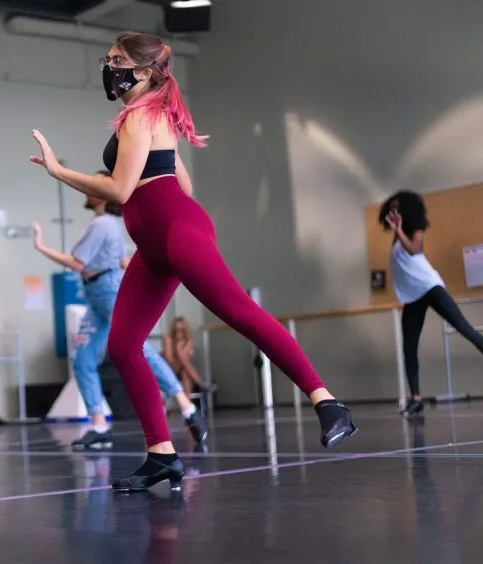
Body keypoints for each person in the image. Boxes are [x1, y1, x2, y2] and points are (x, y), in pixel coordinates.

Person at [28, 31, 356, 492]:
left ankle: (328, 402)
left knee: (241, 313)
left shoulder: (138, 117)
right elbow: (180, 182)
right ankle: (162, 455)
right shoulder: (152, 114)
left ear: (144, 72)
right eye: (108, 59)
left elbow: (120, 190)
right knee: (123, 345)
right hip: (156, 244)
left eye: (118, 60)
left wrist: (59, 171)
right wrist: (156, 222)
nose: (109, 67)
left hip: (177, 235)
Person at [31, 174, 207, 449]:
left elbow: (77, 263)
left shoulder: (102, 224)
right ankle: (99, 425)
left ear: (104, 193)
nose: (88, 189)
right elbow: (122, 259)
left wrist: (40, 247)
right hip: (97, 296)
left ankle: (186, 405)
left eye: (94, 185)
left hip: (107, 292)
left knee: (137, 348)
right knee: (83, 358)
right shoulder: (112, 224)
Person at [379, 191, 483, 418]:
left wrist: (399, 230)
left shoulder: (416, 227)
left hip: (430, 287)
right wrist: (396, 230)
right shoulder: (397, 234)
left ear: (406, 209)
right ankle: (416, 399)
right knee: (409, 348)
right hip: (412, 297)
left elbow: (414, 250)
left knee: (465, 329)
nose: (393, 212)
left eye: (397, 207)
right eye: (391, 208)